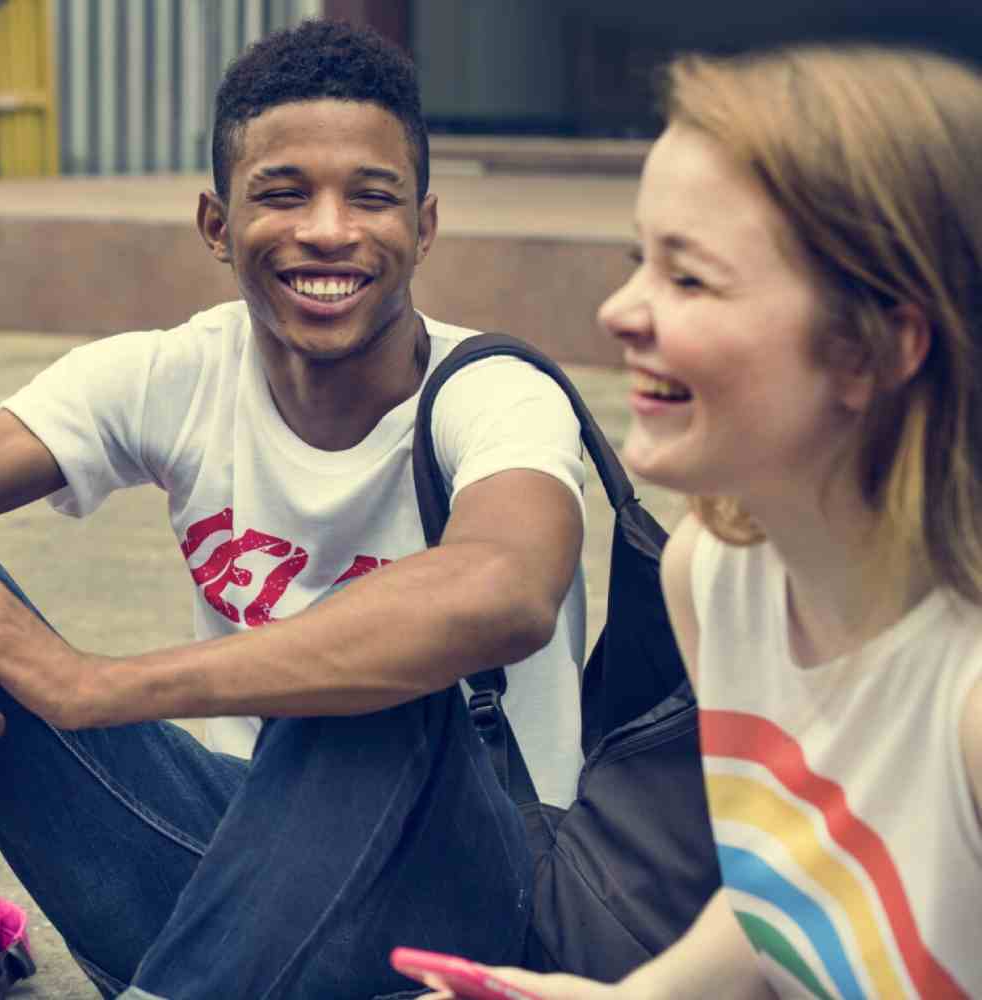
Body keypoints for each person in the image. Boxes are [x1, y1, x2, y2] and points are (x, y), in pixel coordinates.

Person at [0, 18, 588, 1000]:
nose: (328, 229)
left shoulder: (494, 392)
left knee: (392, 654)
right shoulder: (171, 374)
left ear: (422, 227)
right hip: (225, 889)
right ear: (216, 226)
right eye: (282, 192)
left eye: (372, 196)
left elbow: (506, 589)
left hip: (475, 915)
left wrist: (89, 683)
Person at [413, 42, 982, 1000]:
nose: (618, 312)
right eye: (642, 262)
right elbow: (789, 896)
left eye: (690, 279)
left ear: (874, 348)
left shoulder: (966, 702)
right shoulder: (718, 579)